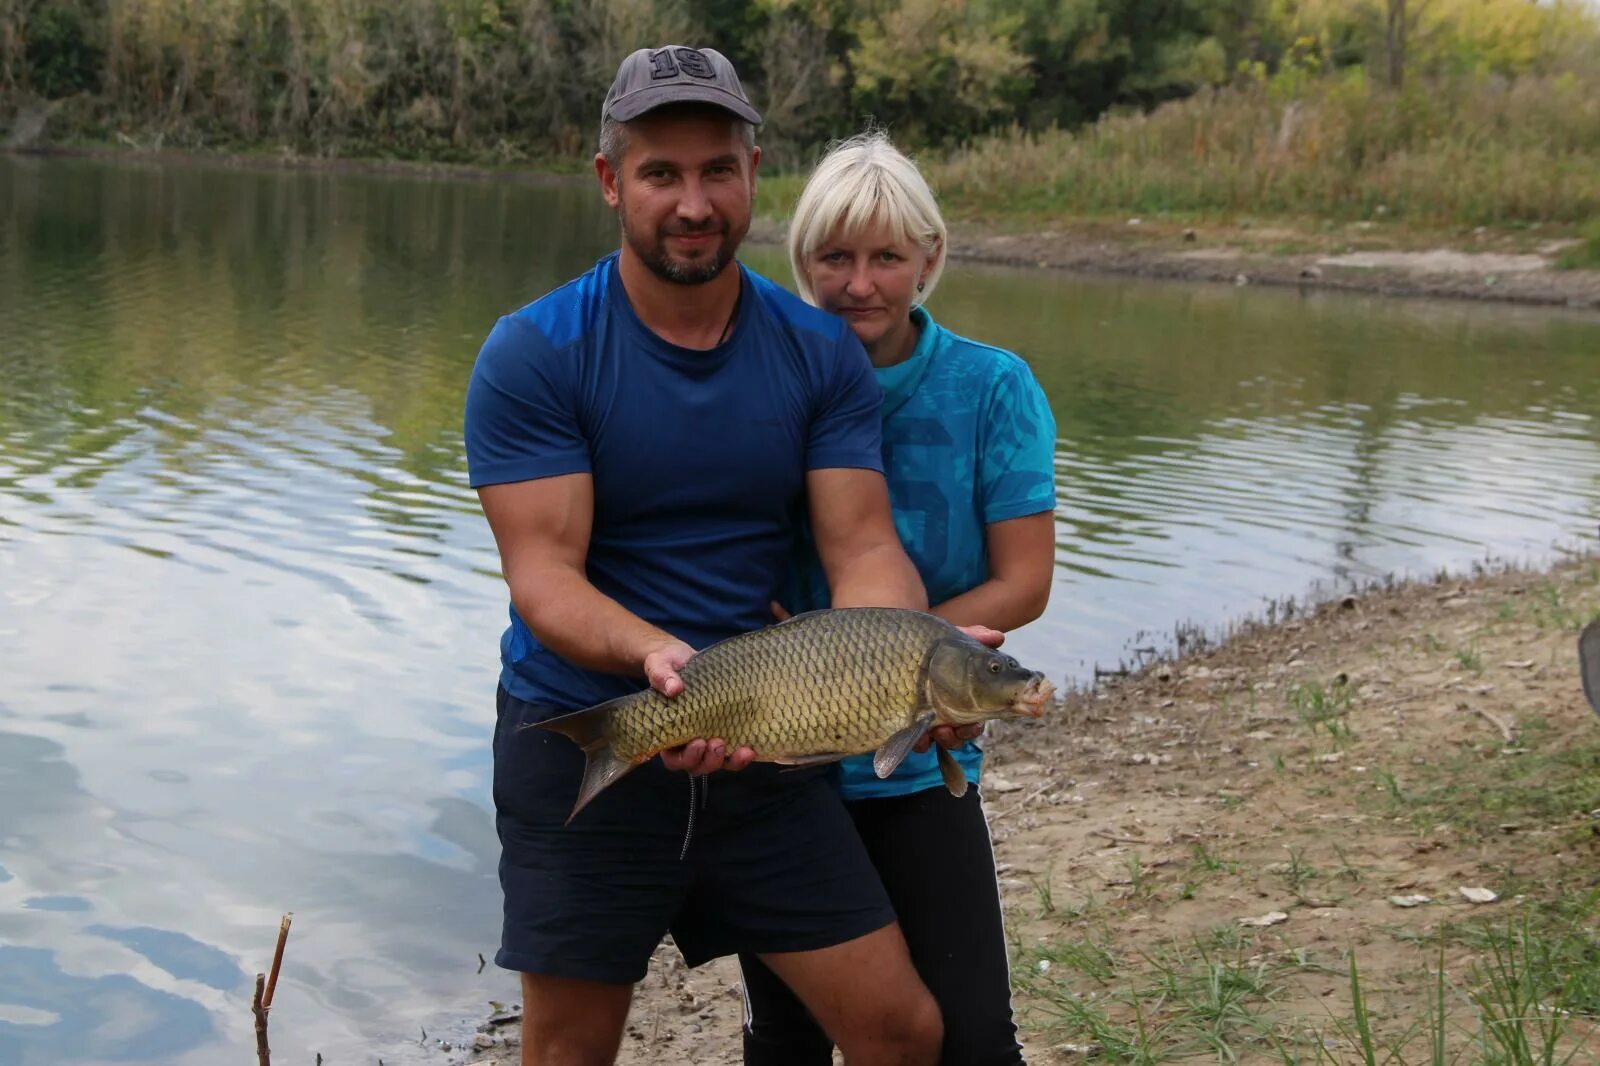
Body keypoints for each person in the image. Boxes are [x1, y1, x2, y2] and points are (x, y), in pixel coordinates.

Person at [464, 48, 1001, 1066]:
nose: (694, 201)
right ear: (610, 180)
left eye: (718, 170)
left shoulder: (815, 350)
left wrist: (916, 652)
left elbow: (863, 546)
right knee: (568, 1053)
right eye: (662, 172)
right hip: (585, 730)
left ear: (755, 172)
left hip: (764, 740)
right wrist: (660, 661)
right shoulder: (535, 354)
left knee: (902, 1030)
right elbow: (543, 578)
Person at [739, 131, 1058, 1066]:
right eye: (835, 258)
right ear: (802, 264)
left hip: (924, 762)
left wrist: (925, 667)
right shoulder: (764, 380)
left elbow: (1025, 579)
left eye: (886, 258)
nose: (861, 284)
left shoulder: (994, 388)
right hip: (780, 761)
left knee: (972, 1037)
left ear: (931, 259)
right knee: (789, 1036)